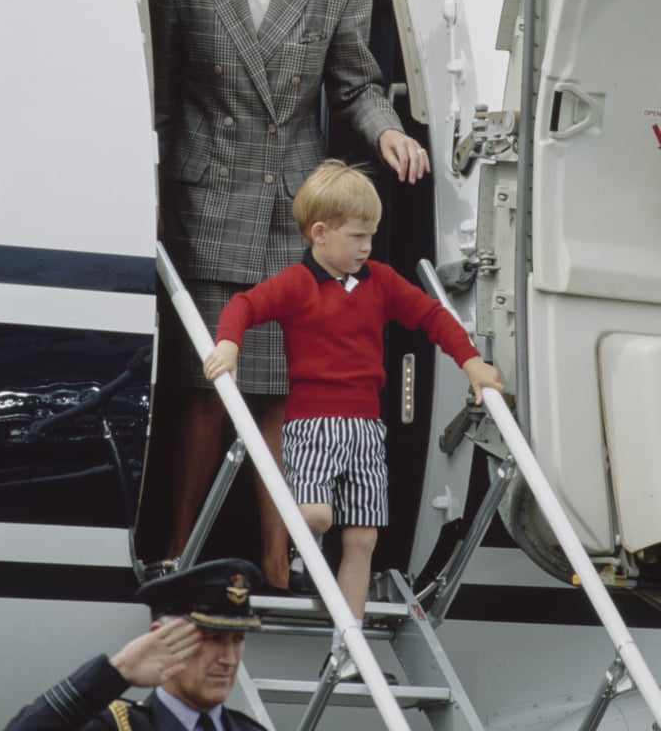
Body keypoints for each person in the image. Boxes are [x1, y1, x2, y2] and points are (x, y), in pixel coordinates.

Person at [150, 0, 430, 590]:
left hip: (297, 212)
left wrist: (391, 133)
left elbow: (356, 86)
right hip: (209, 203)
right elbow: (164, 105)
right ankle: (178, 550)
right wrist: (151, 201)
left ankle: (278, 562)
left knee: (285, 402)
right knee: (206, 397)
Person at [203, 159, 504, 676]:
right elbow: (245, 305)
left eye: (372, 235)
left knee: (362, 539)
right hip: (314, 424)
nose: (367, 247)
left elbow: (431, 315)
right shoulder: (297, 284)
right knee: (318, 515)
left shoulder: (380, 282)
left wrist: (471, 362)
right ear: (319, 235)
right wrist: (228, 344)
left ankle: (347, 651)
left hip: (366, 428)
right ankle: (299, 558)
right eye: (358, 236)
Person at [3, 558, 267, 731]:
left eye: (238, 639)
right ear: (159, 637)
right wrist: (117, 671)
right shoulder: (117, 726)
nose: (229, 659)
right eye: (213, 639)